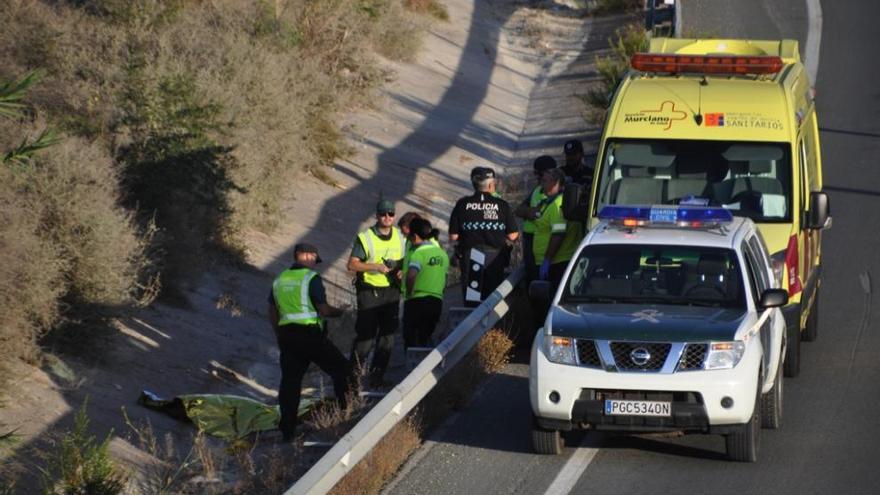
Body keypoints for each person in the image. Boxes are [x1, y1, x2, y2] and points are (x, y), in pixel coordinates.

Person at [269, 243, 351, 442]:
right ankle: (346, 413)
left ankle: (287, 431)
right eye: (315, 258)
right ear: (304, 256)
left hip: (287, 336)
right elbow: (323, 310)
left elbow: (272, 311)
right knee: (342, 370)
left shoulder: (280, 279)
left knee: (290, 383)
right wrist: (341, 312)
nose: (315, 263)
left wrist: (279, 334)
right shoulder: (310, 278)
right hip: (310, 335)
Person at [347, 199, 406, 387]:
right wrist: (376, 267)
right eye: (383, 214)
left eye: (390, 214)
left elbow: (406, 260)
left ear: (394, 216)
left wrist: (400, 269)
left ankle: (377, 377)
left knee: (388, 337)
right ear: (377, 215)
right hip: (369, 292)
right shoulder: (365, 237)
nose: (387, 217)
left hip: (391, 291)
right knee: (365, 338)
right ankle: (352, 380)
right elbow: (352, 264)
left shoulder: (400, 236)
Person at [449, 166, 519, 307]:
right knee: (491, 301)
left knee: (473, 302)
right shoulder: (502, 205)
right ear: (490, 184)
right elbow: (513, 235)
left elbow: (454, 236)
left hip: (471, 256)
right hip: (495, 258)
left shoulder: (462, 204)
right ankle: (491, 328)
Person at [402, 218, 449, 349]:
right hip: (436, 302)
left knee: (411, 339)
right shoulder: (442, 254)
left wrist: (409, 293)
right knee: (426, 337)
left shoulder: (419, 253)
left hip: (417, 301)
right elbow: (444, 278)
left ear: (415, 236)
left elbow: (411, 275)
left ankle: (413, 368)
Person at [533, 168, 582, 290]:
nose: (542, 184)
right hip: (553, 262)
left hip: (557, 263)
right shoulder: (549, 202)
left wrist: (547, 261)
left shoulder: (557, 205)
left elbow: (558, 234)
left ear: (557, 184)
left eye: (545, 181)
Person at [515, 155, 557, 282]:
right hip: (530, 240)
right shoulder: (537, 190)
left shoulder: (552, 191)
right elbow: (519, 210)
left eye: (539, 173)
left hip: (543, 241)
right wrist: (529, 212)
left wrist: (531, 213)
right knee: (531, 277)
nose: (537, 177)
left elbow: (538, 214)